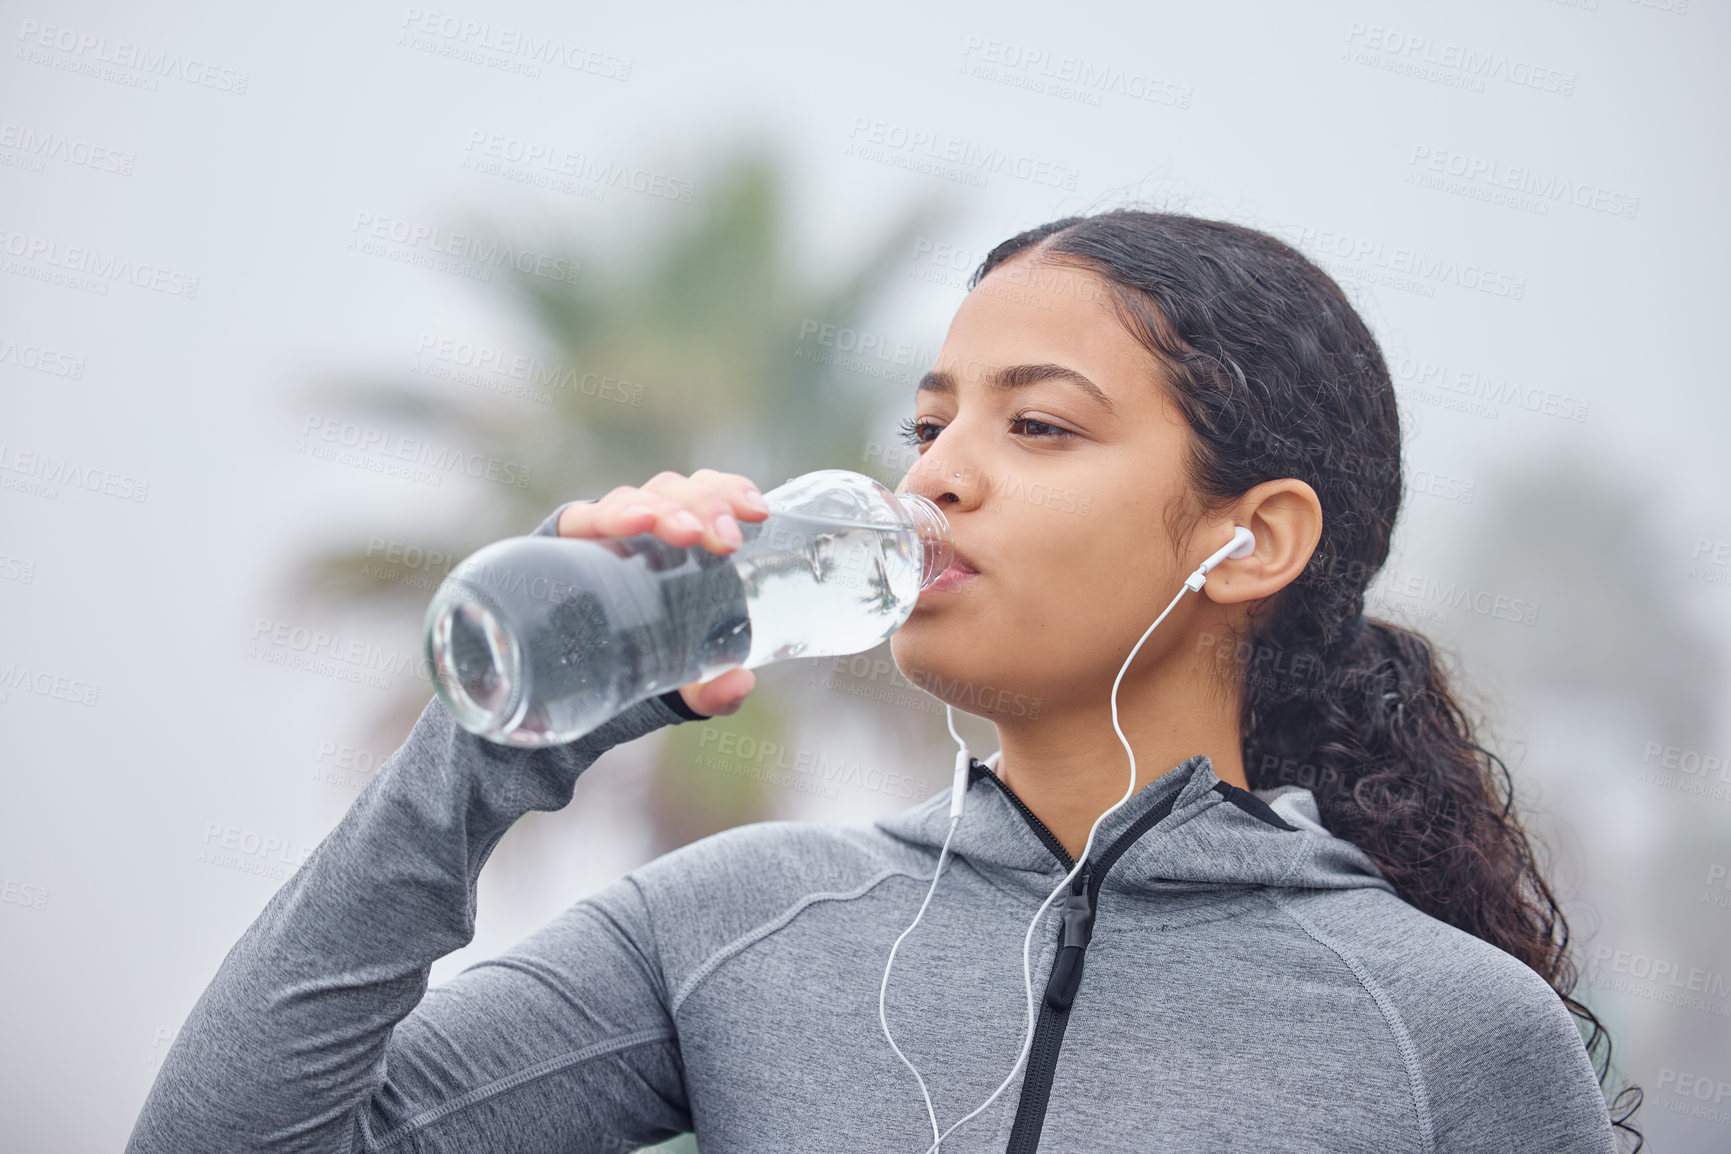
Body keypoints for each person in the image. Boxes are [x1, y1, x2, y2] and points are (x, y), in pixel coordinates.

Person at [127, 211, 1642, 1153]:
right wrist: (486, 750)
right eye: (929, 427)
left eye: (1036, 426)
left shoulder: (1449, 1030)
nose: (936, 481)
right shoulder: (733, 925)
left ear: (1252, 539)